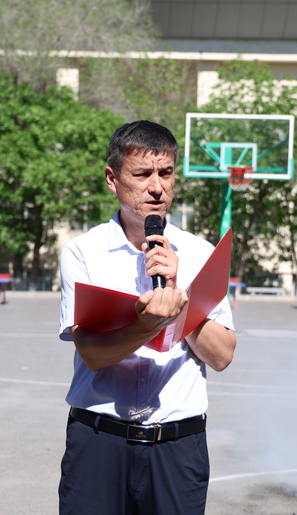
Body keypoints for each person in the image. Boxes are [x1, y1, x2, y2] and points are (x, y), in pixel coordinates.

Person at [57, 120, 237, 514]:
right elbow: (93, 354)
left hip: (178, 447)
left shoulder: (200, 253)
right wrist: (148, 324)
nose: (157, 187)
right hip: (99, 443)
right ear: (113, 179)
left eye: (166, 173)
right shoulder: (83, 253)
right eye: (142, 174)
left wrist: (179, 293)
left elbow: (222, 355)